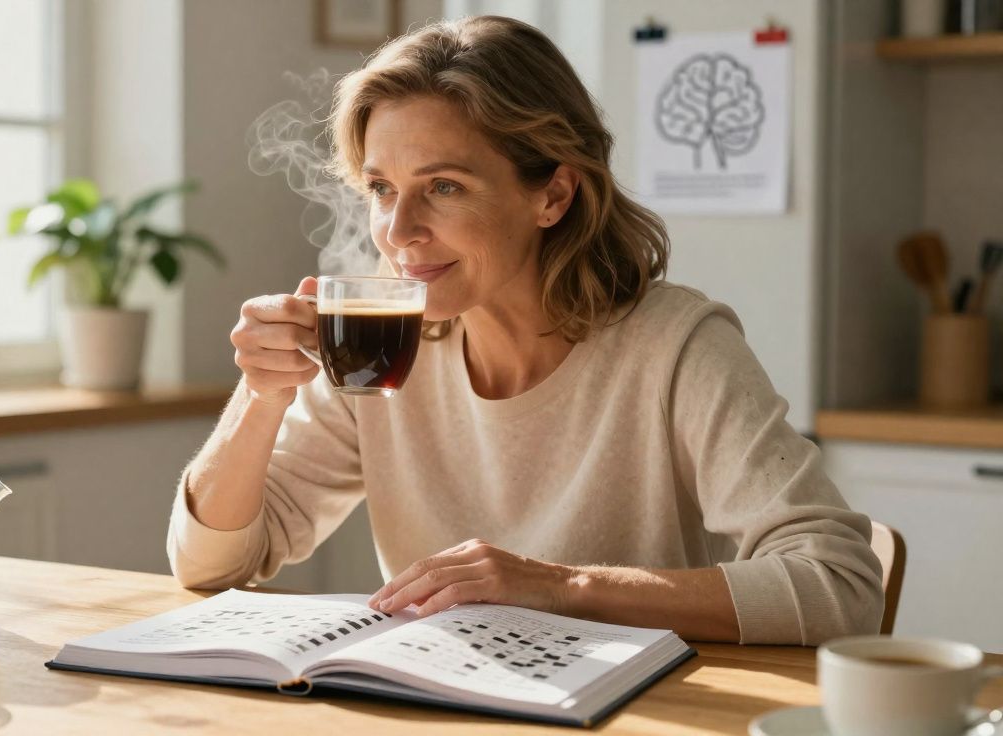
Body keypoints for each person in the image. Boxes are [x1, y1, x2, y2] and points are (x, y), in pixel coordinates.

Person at [166, 15, 882, 645]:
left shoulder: (675, 347)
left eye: (443, 187)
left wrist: (558, 587)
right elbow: (208, 564)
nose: (398, 230)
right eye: (383, 188)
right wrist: (261, 399)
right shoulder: (382, 345)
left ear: (553, 194)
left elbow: (840, 584)